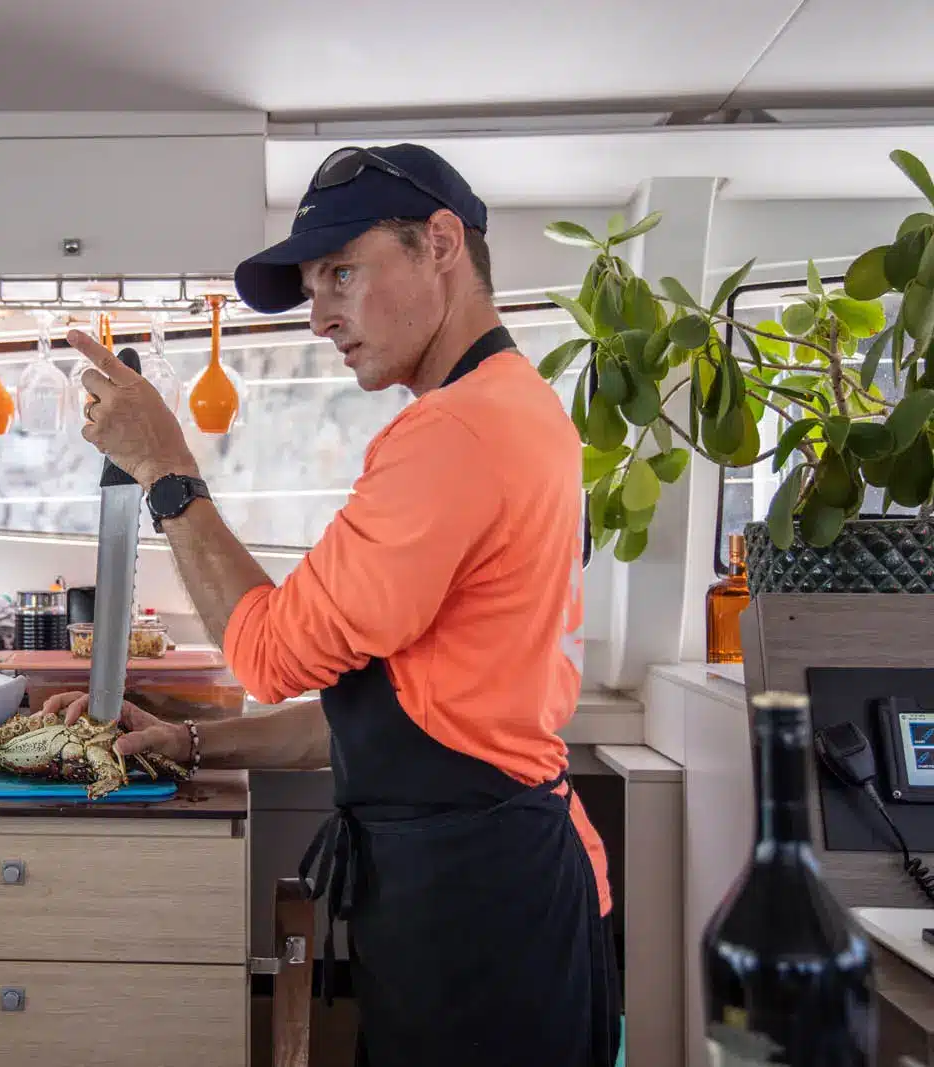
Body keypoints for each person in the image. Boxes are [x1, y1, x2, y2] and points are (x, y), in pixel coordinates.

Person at [48, 143, 620, 1067]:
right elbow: (390, 709)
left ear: (441, 243)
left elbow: (267, 654)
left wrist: (166, 470)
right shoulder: (512, 410)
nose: (321, 317)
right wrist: (191, 741)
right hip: (486, 885)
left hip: (482, 911)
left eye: (342, 274)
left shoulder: (454, 435)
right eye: (314, 287)